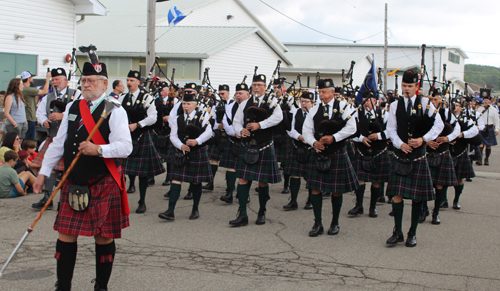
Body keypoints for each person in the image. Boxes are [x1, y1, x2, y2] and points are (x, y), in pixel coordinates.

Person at [33, 61, 132, 291]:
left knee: (104, 238)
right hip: (74, 179)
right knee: (66, 234)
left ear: (104, 83)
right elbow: (59, 143)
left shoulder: (115, 109)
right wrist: (44, 172)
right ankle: (63, 286)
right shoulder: (73, 107)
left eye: (92, 81)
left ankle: (101, 287)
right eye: (84, 80)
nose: (86, 85)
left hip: (102, 180)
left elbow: (126, 147)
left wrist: (99, 149)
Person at [385, 70, 444, 247]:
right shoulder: (395, 105)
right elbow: (391, 129)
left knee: (417, 197)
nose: (406, 89)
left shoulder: (426, 103)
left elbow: (439, 124)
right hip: (401, 153)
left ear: (416, 87)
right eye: (404, 86)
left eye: (410, 86)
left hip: (418, 156)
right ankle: (398, 232)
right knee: (397, 195)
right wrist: (399, 143)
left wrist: (423, 139)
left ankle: (413, 232)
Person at [302, 78, 359, 237]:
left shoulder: (344, 107)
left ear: (332, 92)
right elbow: (306, 130)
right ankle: (318, 223)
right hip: (319, 153)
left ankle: (335, 222)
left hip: (337, 152)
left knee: (336, 190)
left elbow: (352, 127)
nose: (321, 95)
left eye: (324, 92)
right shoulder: (313, 110)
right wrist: (314, 143)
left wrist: (335, 137)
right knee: (315, 188)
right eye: (319, 92)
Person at [229, 74, 283, 227]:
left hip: (264, 145)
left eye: (259, 85)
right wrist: (240, 131)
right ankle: (243, 214)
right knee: (242, 179)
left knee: (263, 182)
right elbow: (236, 121)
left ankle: (262, 212)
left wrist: (261, 125)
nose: (256, 88)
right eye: (254, 85)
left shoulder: (272, 102)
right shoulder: (244, 103)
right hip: (247, 146)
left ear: (265, 87)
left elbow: (278, 118)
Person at [158, 92, 212, 220]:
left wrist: (197, 141)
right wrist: (180, 145)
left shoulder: (203, 115)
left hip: (197, 152)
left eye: (188, 104)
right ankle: (170, 210)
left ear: (194, 105)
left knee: (195, 181)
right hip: (181, 152)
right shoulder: (178, 118)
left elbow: (209, 132)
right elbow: (173, 136)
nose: (185, 106)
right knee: (176, 179)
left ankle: (195, 208)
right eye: (183, 104)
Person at [32, 68, 81, 210]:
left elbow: (80, 112)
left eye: (57, 79)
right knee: (51, 167)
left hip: (70, 138)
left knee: (67, 170)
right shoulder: (47, 97)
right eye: (53, 80)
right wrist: (43, 121)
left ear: (65, 80)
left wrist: (62, 116)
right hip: (53, 136)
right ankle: (47, 198)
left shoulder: (76, 94)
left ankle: (64, 200)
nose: (54, 82)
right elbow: (40, 113)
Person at [119, 70, 165, 213]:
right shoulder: (122, 97)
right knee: (127, 169)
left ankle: (142, 201)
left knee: (143, 173)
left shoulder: (147, 98)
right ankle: (130, 186)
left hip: (142, 136)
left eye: (132, 80)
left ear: (139, 82)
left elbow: (153, 117)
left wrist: (138, 124)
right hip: (127, 136)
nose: (129, 83)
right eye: (127, 80)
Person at [420, 90, 460, 225]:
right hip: (426, 152)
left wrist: (448, 138)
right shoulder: (423, 112)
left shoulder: (446, 113)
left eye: (435, 100)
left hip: (442, 152)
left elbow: (457, 129)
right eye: (430, 100)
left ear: (440, 101)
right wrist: (426, 141)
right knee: (424, 185)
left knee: (439, 185)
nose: (433, 102)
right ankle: (423, 210)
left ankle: (435, 213)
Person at [349, 92, 390, 218]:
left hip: (378, 152)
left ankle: (373, 207)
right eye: (365, 100)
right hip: (362, 151)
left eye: (370, 100)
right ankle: (359, 206)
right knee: (360, 180)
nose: (367, 103)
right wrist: (361, 138)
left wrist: (378, 136)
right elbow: (351, 131)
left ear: (376, 101)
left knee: (376, 181)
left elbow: (391, 131)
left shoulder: (384, 114)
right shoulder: (357, 113)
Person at [283, 91, 314, 210]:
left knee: (310, 175)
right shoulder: (295, 112)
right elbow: (290, 129)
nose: (303, 104)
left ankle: (310, 200)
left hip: (310, 147)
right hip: (297, 146)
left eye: (306, 101)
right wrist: (299, 136)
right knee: (294, 175)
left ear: (312, 102)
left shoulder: (315, 113)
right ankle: (293, 201)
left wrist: (309, 138)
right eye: (302, 101)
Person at [448, 99, 479, 210]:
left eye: (456, 105)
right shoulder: (446, 116)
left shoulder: (466, 119)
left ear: (461, 107)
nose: (454, 107)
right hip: (447, 152)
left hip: (460, 152)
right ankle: (443, 200)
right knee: (442, 180)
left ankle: (456, 200)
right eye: (453, 105)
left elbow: (475, 130)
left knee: (459, 179)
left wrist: (462, 134)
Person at [219, 83, 247, 203]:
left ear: (247, 94)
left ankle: (245, 195)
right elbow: (226, 122)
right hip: (234, 139)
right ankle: (229, 193)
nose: (238, 96)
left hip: (247, 141)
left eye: (240, 93)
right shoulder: (230, 107)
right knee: (231, 167)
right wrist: (234, 132)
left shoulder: (252, 105)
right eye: (236, 94)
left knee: (245, 169)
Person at [203, 84, 231, 191]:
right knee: (213, 159)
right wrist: (218, 125)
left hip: (230, 136)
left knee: (231, 164)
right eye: (220, 94)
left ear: (228, 93)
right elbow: (211, 121)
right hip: (219, 136)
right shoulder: (216, 106)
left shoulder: (233, 104)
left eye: (223, 93)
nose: (221, 96)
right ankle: (210, 183)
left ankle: (230, 186)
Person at [21, 70, 51, 141]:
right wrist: (48, 79)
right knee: (29, 140)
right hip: (30, 118)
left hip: (27, 117)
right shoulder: (27, 89)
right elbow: (45, 91)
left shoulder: (24, 89)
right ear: (28, 78)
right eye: (31, 77)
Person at [476, 95, 499, 166]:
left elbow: (497, 120)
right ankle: (480, 159)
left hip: (490, 128)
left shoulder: (494, 110)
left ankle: (486, 159)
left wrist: (496, 129)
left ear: (490, 101)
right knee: (481, 144)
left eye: (487, 100)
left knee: (488, 146)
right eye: (484, 100)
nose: (485, 101)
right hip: (481, 128)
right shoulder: (480, 109)